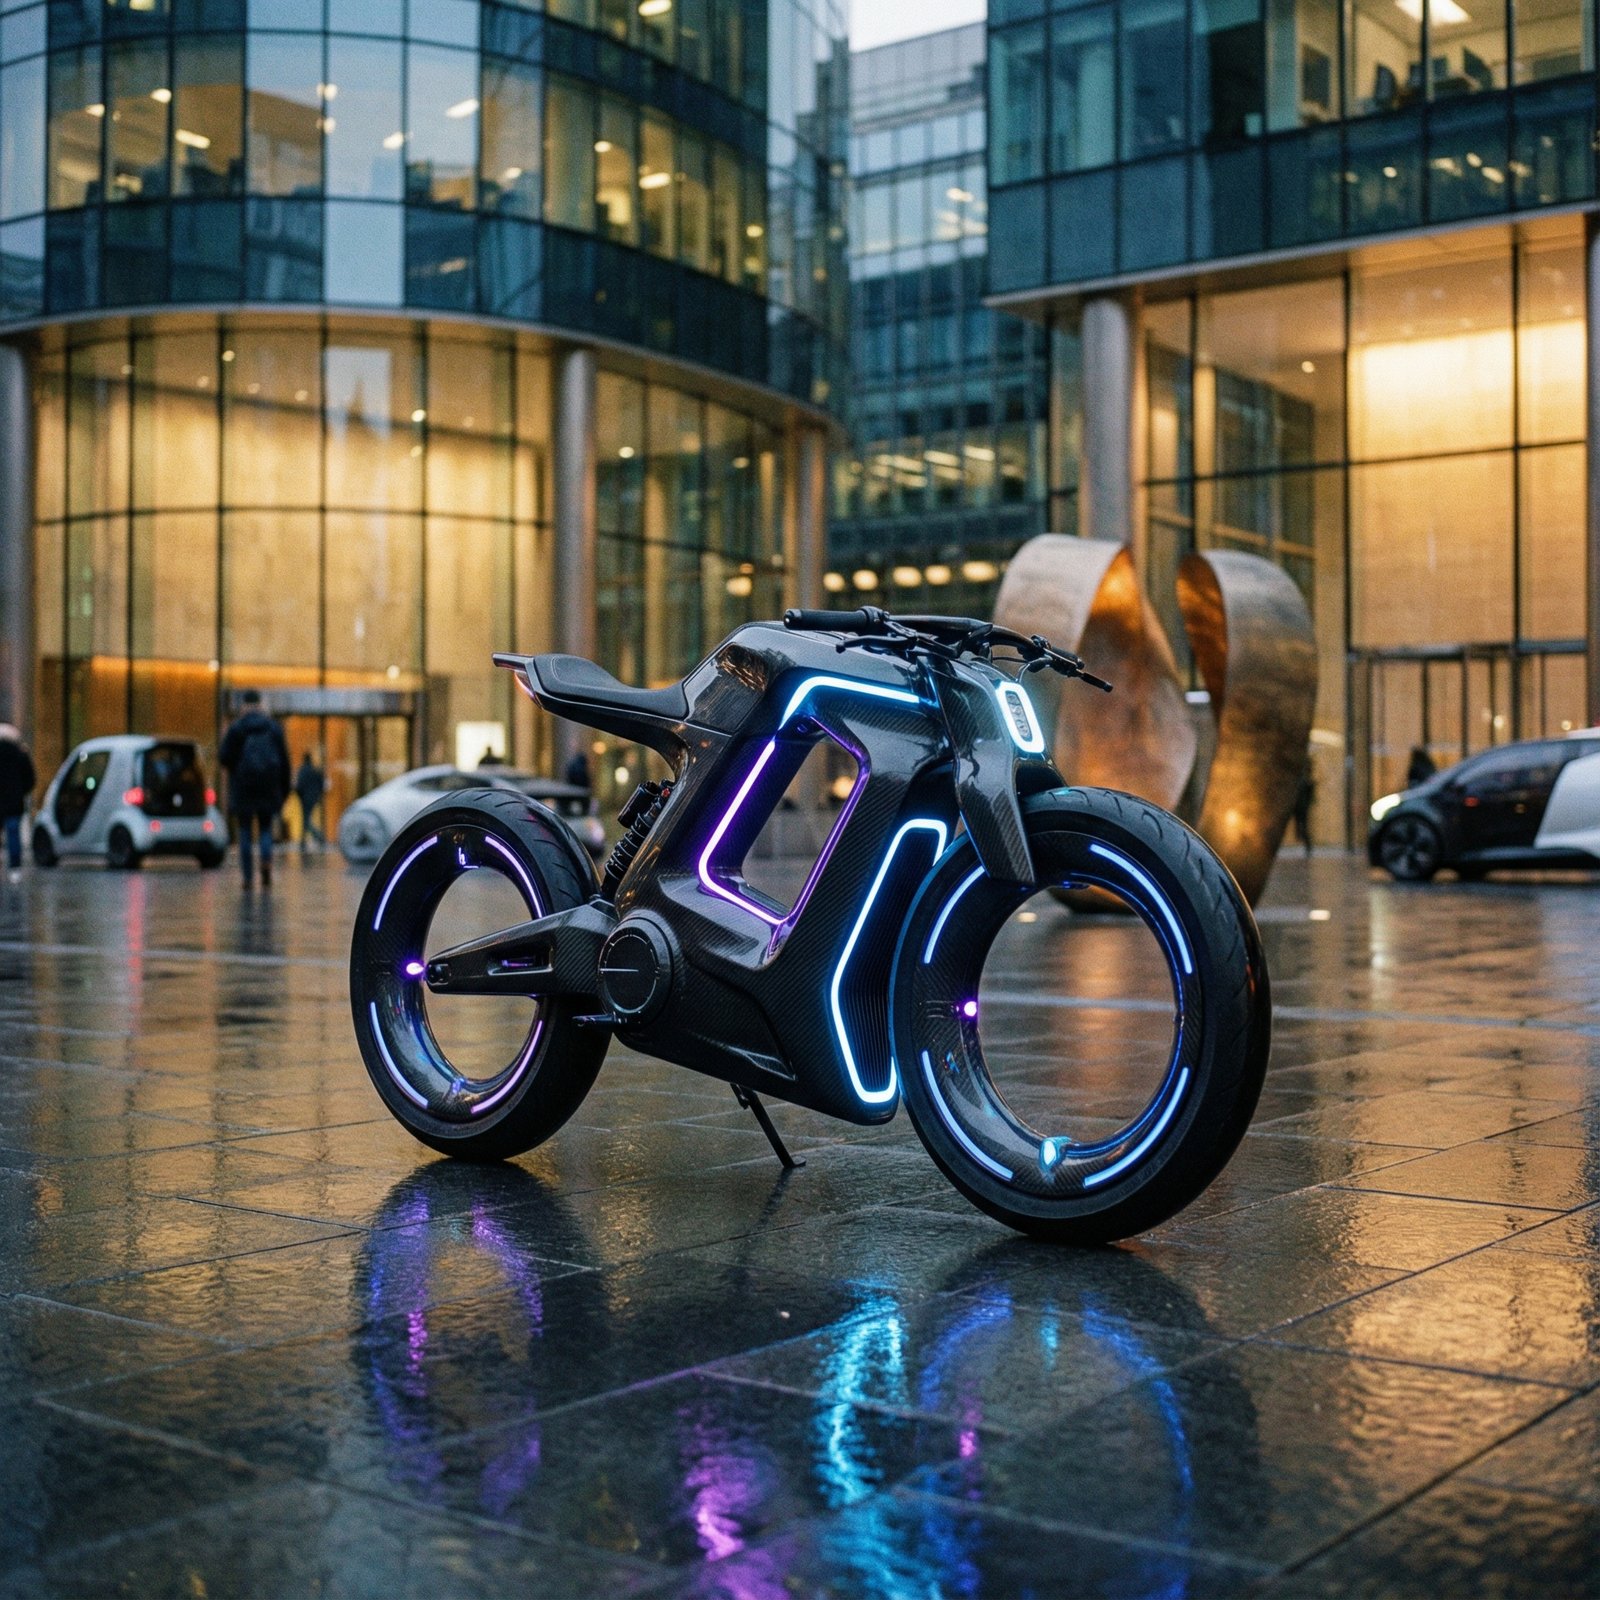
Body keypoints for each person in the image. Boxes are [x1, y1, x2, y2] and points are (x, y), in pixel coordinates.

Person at [219, 690, 291, 889]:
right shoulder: (273, 728)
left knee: (244, 831)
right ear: (260, 704)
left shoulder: (237, 728)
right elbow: (284, 761)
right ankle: (266, 862)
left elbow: (224, 757)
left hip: (244, 787)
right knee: (266, 828)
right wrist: (283, 790)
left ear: (244, 705)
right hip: (268, 787)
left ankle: (248, 877)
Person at [0, 723, 35, 884]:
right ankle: (15, 868)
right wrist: (21, 791)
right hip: (14, 801)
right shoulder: (20, 754)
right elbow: (30, 779)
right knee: (13, 834)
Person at [294, 752, 326, 854]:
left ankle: (318, 836)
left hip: (305, 798)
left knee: (306, 819)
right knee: (306, 819)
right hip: (313, 797)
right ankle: (304, 840)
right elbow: (321, 784)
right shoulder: (315, 770)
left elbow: (299, 785)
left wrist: (299, 794)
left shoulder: (303, 771)